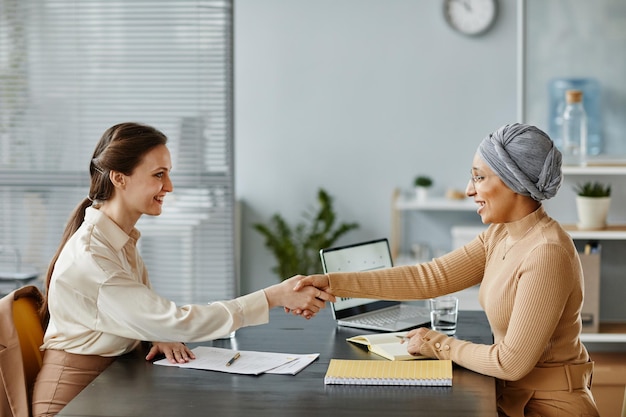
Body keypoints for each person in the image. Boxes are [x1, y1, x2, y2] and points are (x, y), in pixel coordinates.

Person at [294, 123, 600, 417]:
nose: (469, 190)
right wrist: (333, 283)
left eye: (479, 178)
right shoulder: (500, 234)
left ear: (513, 182)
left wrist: (438, 344)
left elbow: (511, 362)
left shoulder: (547, 252)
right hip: (511, 398)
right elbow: (429, 277)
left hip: (552, 407)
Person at [31, 122, 334, 417]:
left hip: (107, 383)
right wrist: (271, 297)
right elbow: (175, 321)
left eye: (168, 174)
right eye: (158, 175)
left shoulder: (119, 241)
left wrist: (152, 331)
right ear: (119, 178)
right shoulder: (93, 259)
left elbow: (136, 316)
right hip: (74, 400)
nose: (169, 187)